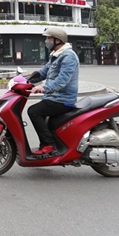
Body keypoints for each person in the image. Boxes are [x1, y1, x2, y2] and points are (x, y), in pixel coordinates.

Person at [27, 27, 79, 156]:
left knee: (34, 111)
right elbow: (43, 72)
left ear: (57, 40)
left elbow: (63, 79)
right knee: (41, 114)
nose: (46, 41)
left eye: (48, 38)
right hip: (54, 97)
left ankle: (49, 145)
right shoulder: (56, 55)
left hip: (63, 99)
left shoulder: (68, 56)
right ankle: (46, 145)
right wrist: (26, 81)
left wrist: (44, 88)